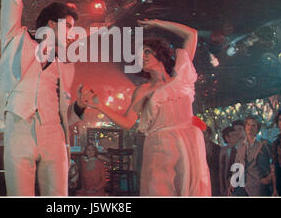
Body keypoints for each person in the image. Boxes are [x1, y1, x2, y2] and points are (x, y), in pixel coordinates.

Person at [0, 0, 95, 196]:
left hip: (54, 133)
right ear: (51, 25)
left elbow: (63, 113)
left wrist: (79, 107)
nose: (71, 34)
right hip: (19, 126)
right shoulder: (15, 40)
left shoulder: (66, 64)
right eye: (68, 26)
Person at [89, 18, 211, 196]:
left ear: (159, 54)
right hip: (160, 145)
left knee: (191, 189)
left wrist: (157, 23)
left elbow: (191, 34)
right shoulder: (143, 90)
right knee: (159, 189)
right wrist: (100, 107)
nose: (143, 56)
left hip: (189, 142)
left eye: (147, 52)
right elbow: (128, 122)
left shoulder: (180, 77)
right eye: (140, 55)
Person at [230, 115, 272, 196]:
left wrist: (268, 178)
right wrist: (233, 182)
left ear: (258, 128)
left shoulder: (264, 144)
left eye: (253, 125)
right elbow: (237, 164)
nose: (250, 127)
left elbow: (274, 161)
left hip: (259, 186)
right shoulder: (240, 144)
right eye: (248, 124)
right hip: (242, 186)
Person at [218, 126, 239, 196]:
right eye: (232, 135)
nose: (235, 137)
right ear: (227, 138)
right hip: (226, 179)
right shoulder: (224, 150)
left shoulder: (240, 149)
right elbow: (221, 168)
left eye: (236, 135)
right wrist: (221, 185)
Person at [204, 126, 221, 196]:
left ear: (209, 135)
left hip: (215, 181)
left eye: (204, 133)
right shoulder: (195, 148)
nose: (202, 135)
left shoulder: (217, 148)